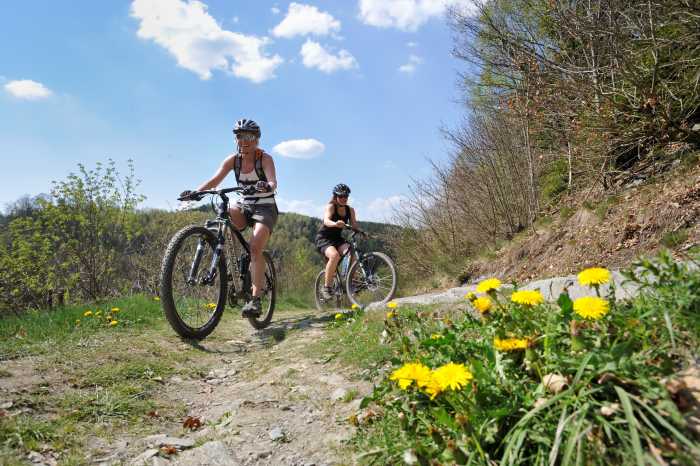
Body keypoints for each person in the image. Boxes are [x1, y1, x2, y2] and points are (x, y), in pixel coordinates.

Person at [181, 119, 278, 317]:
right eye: (240, 136)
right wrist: (196, 192)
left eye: (249, 136)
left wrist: (267, 186)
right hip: (245, 204)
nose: (244, 140)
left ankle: (255, 299)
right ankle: (234, 265)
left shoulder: (264, 159)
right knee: (226, 213)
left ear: (257, 140)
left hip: (265, 207)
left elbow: (272, 180)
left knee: (255, 247)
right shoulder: (233, 160)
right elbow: (214, 180)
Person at [315, 183, 360, 300]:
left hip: (337, 239)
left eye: (346, 196)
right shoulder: (331, 207)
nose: (344, 198)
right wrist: (335, 223)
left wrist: (361, 232)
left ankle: (352, 282)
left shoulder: (350, 210)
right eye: (341, 196)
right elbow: (326, 221)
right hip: (324, 239)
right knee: (334, 256)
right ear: (335, 197)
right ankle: (326, 288)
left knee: (352, 253)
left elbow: (354, 225)